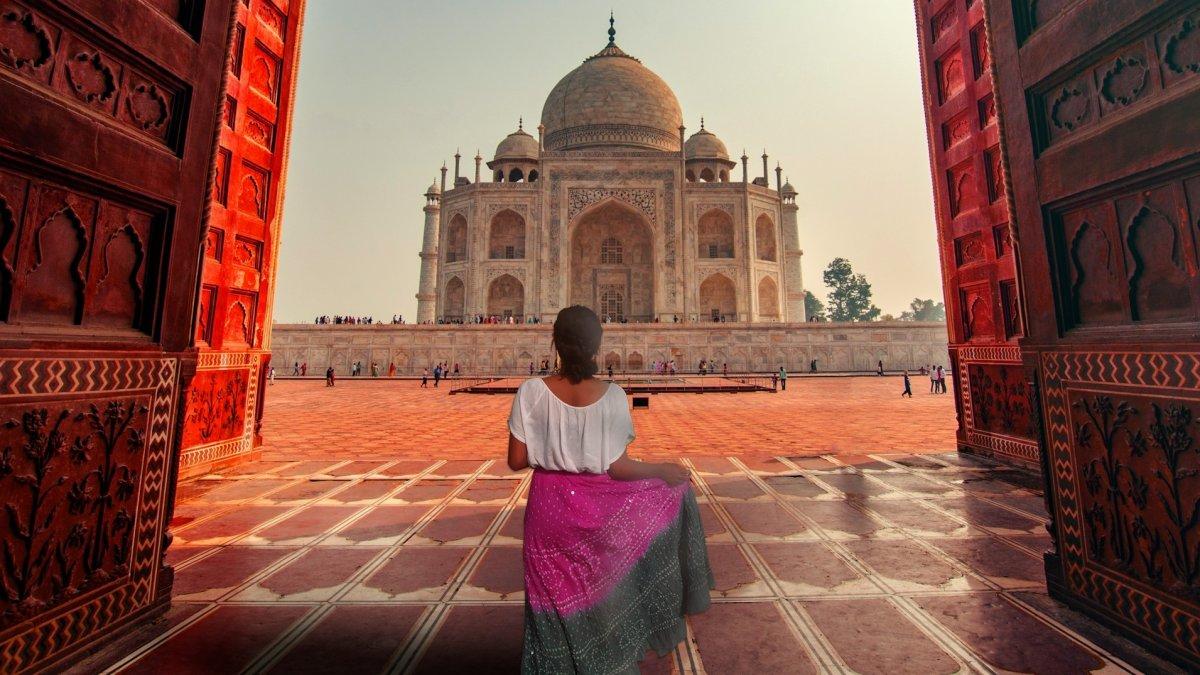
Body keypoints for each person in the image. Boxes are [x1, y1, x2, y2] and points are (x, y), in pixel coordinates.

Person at [507, 306, 712, 673]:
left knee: (549, 602)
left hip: (547, 509)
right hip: (595, 507)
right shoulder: (614, 395)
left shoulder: (530, 392)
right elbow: (618, 467)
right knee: (598, 595)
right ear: (596, 347)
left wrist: (551, 448)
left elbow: (516, 460)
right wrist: (661, 470)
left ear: (555, 342)